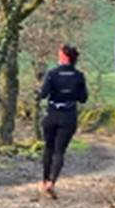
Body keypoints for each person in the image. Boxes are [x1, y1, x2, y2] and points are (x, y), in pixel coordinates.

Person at [36, 43, 88, 198]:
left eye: (59, 54)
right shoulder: (79, 76)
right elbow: (83, 98)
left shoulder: (52, 74)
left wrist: (38, 91)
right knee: (60, 151)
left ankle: (44, 182)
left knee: (48, 148)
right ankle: (52, 182)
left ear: (64, 57)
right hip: (69, 115)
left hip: (52, 114)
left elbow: (43, 94)